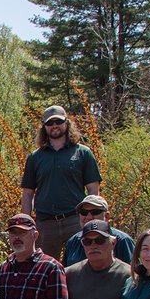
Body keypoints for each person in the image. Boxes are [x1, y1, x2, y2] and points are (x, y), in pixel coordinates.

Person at [21, 105, 103, 259]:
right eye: (50, 123)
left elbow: (93, 189)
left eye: (58, 121)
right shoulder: (35, 158)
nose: (54, 126)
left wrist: (91, 217)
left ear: (66, 123)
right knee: (44, 268)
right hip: (45, 223)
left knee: (80, 264)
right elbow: (27, 193)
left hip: (75, 220)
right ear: (44, 127)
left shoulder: (83, 153)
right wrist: (27, 223)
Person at [61, 195, 135, 267]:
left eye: (95, 212)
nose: (89, 217)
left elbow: (132, 273)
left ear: (106, 216)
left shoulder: (123, 240)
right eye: (84, 212)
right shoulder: (73, 241)